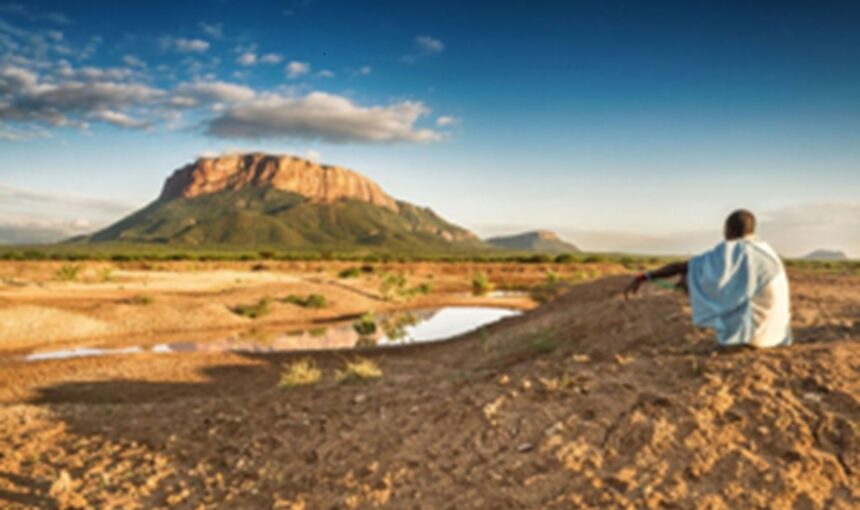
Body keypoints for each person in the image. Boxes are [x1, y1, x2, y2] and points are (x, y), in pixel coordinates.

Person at [624, 209, 792, 348]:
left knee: (698, 275)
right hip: (776, 332)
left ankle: (741, 338)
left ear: (730, 230)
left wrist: (644, 276)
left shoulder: (734, 251)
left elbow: (683, 267)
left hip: (756, 336)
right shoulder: (765, 250)